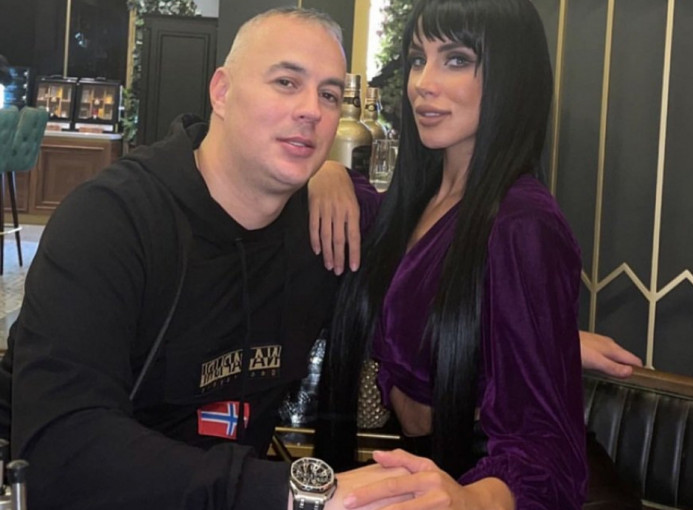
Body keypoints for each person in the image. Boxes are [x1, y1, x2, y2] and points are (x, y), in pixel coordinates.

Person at [0, 8, 411, 510]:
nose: (312, 110)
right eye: (286, 82)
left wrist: (337, 176)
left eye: (329, 94)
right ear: (221, 91)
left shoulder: (321, 230)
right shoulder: (111, 221)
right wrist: (289, 494)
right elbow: (60, 449)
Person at [314, 0, 589, 508]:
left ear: (510, 75)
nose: (423, 83)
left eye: (457, 60)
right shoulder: (414, 205)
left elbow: (548, 449)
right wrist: (326, 173)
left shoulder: (522, 224)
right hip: (411, 474)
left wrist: (469, 501)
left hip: (473, 483)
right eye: (418, 59)